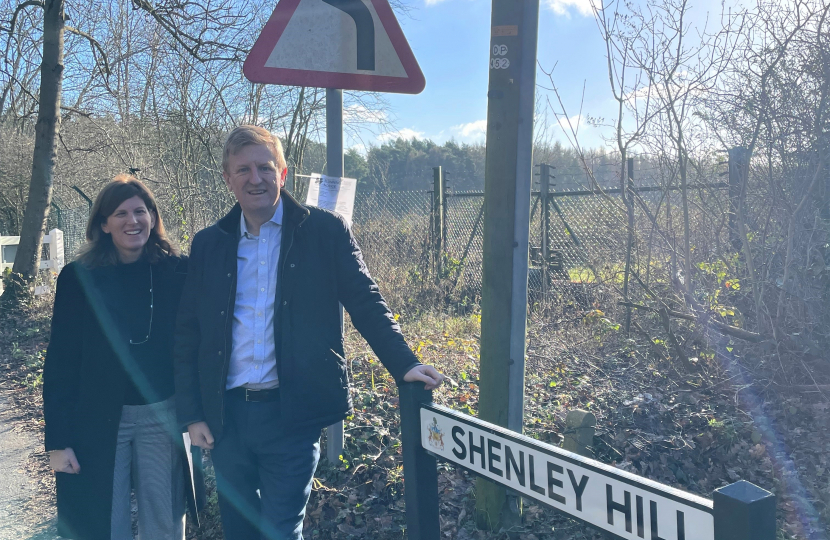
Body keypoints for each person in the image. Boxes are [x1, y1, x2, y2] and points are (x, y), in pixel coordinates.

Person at [174, 125, 444, 540]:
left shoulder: (324, 231)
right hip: (226, 417)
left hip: (293, 414)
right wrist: (192, 414)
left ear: (283, 174)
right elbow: (188, 333)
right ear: (228, 179)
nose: (255, 178)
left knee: (282, 531)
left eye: (266, 167)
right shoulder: (209, 244)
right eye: (243, 170)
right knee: (239, 530)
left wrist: (404, 362)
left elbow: (365, 300)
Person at [43, 175, 198, 540]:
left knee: (164, 524)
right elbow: (62, 361)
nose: (133, 221)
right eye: (121, 213)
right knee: (102, 526)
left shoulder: (178, 270)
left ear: (153, 217)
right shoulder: (78, 278)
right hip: (98, 420)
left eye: (140, 211)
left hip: (163, 414)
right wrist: (57, 440)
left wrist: (198, 413)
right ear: (103, 224)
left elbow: (198, 343)